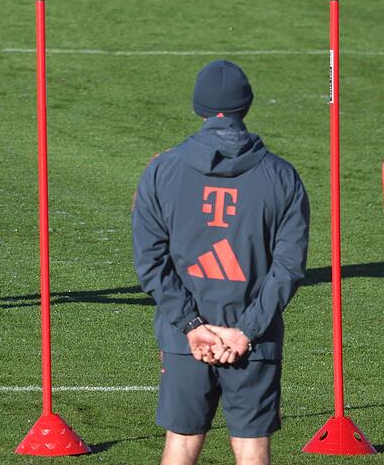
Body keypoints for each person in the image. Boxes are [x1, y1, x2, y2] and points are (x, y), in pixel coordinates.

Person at [131, 60, 309, 465]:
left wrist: (192, 327)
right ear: (246, 105)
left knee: (181, 442)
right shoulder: (283, 177)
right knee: (251, 447)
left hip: (183, 340)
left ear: (198, 107)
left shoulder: (162, 170)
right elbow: (289, 268)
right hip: (254, 341)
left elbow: (150, 262)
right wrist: (245, 332)